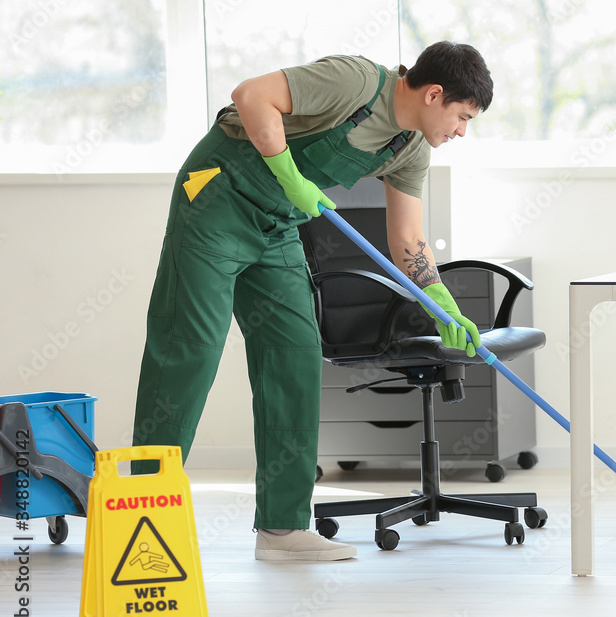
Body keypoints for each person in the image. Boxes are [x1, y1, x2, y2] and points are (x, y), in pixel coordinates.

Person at [130, 41, 492, 561]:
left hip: (277, 226)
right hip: (216, 198)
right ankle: (139, 513)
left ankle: (282, 530)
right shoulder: (354, 81)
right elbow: (251, 95)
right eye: (462, 117)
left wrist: (440, 299)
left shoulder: (412, 147)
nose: (461, 131)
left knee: (294, 356)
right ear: (434, 94)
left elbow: (408, 237)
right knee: (190, 349)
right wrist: (290, 175)